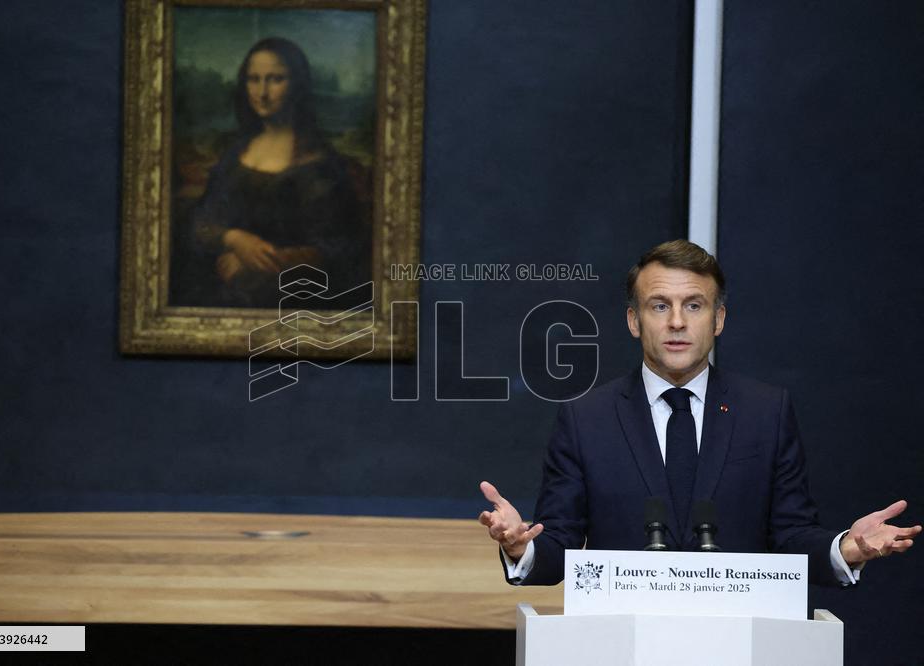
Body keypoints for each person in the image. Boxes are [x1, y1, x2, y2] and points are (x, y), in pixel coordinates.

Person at [479, 240, 920, 587]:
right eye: (659, 306)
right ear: (634, 321)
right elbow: (560, 547)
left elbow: (791, 537)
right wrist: (522, 547)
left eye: (694, 305)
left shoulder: (766, 412)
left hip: (737, 643)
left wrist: (848, 549)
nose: (676, 322)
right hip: (622, 644)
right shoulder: (586, 418)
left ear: (719, 319)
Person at [189, 37, 369, 308]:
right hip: (224, 289)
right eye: (253, 79)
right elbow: (201, 221)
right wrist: (235, 240)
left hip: (294, 296)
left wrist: (260, 260)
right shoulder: (236, 152)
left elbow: (340, 248)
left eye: (275, 79)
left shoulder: (319, 165)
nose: (261, 92)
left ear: (297, 85)